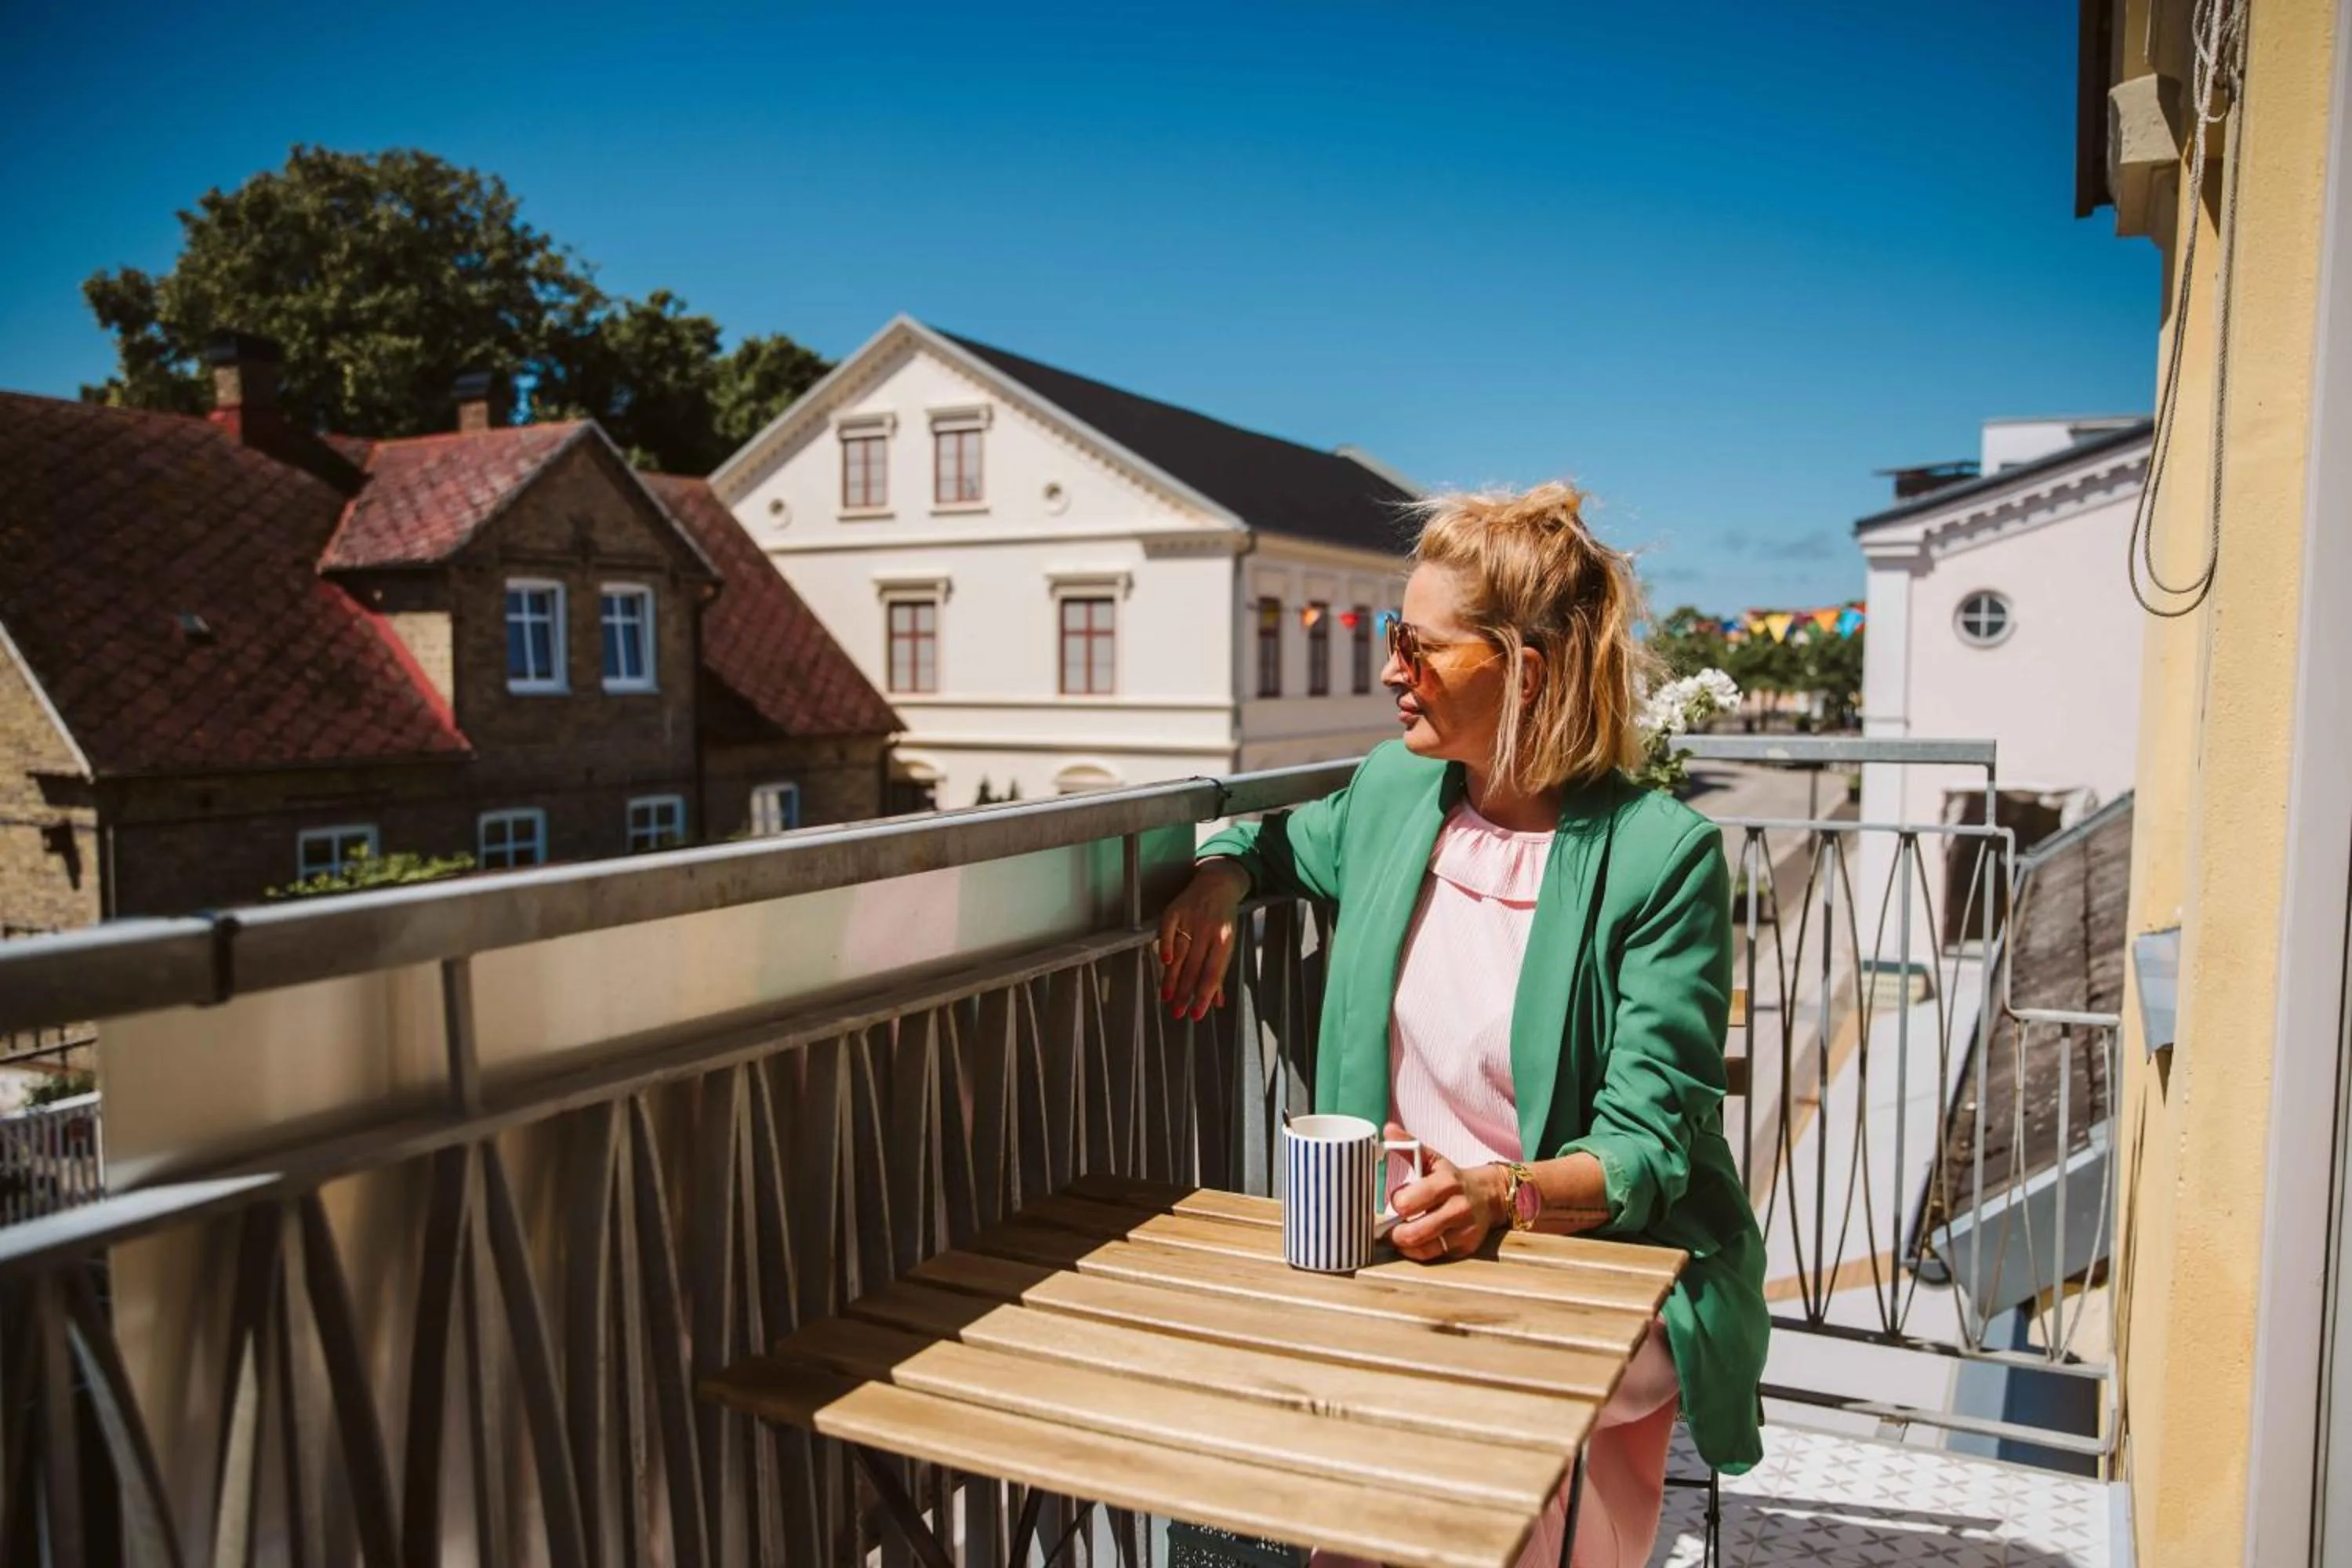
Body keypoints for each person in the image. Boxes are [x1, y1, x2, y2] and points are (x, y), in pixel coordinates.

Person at [1156, 482, 1766, 1568]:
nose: (1392, 670)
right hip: (1396, 1255)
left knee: (1454, 1455)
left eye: (1419, 648)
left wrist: (1501, 1194)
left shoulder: (1657, 855)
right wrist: (1217, 876)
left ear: (1526, 670)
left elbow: (1647, 1147)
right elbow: (1278, 840)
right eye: (1396, 639)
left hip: (1588, 1262)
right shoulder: (1400, 791)